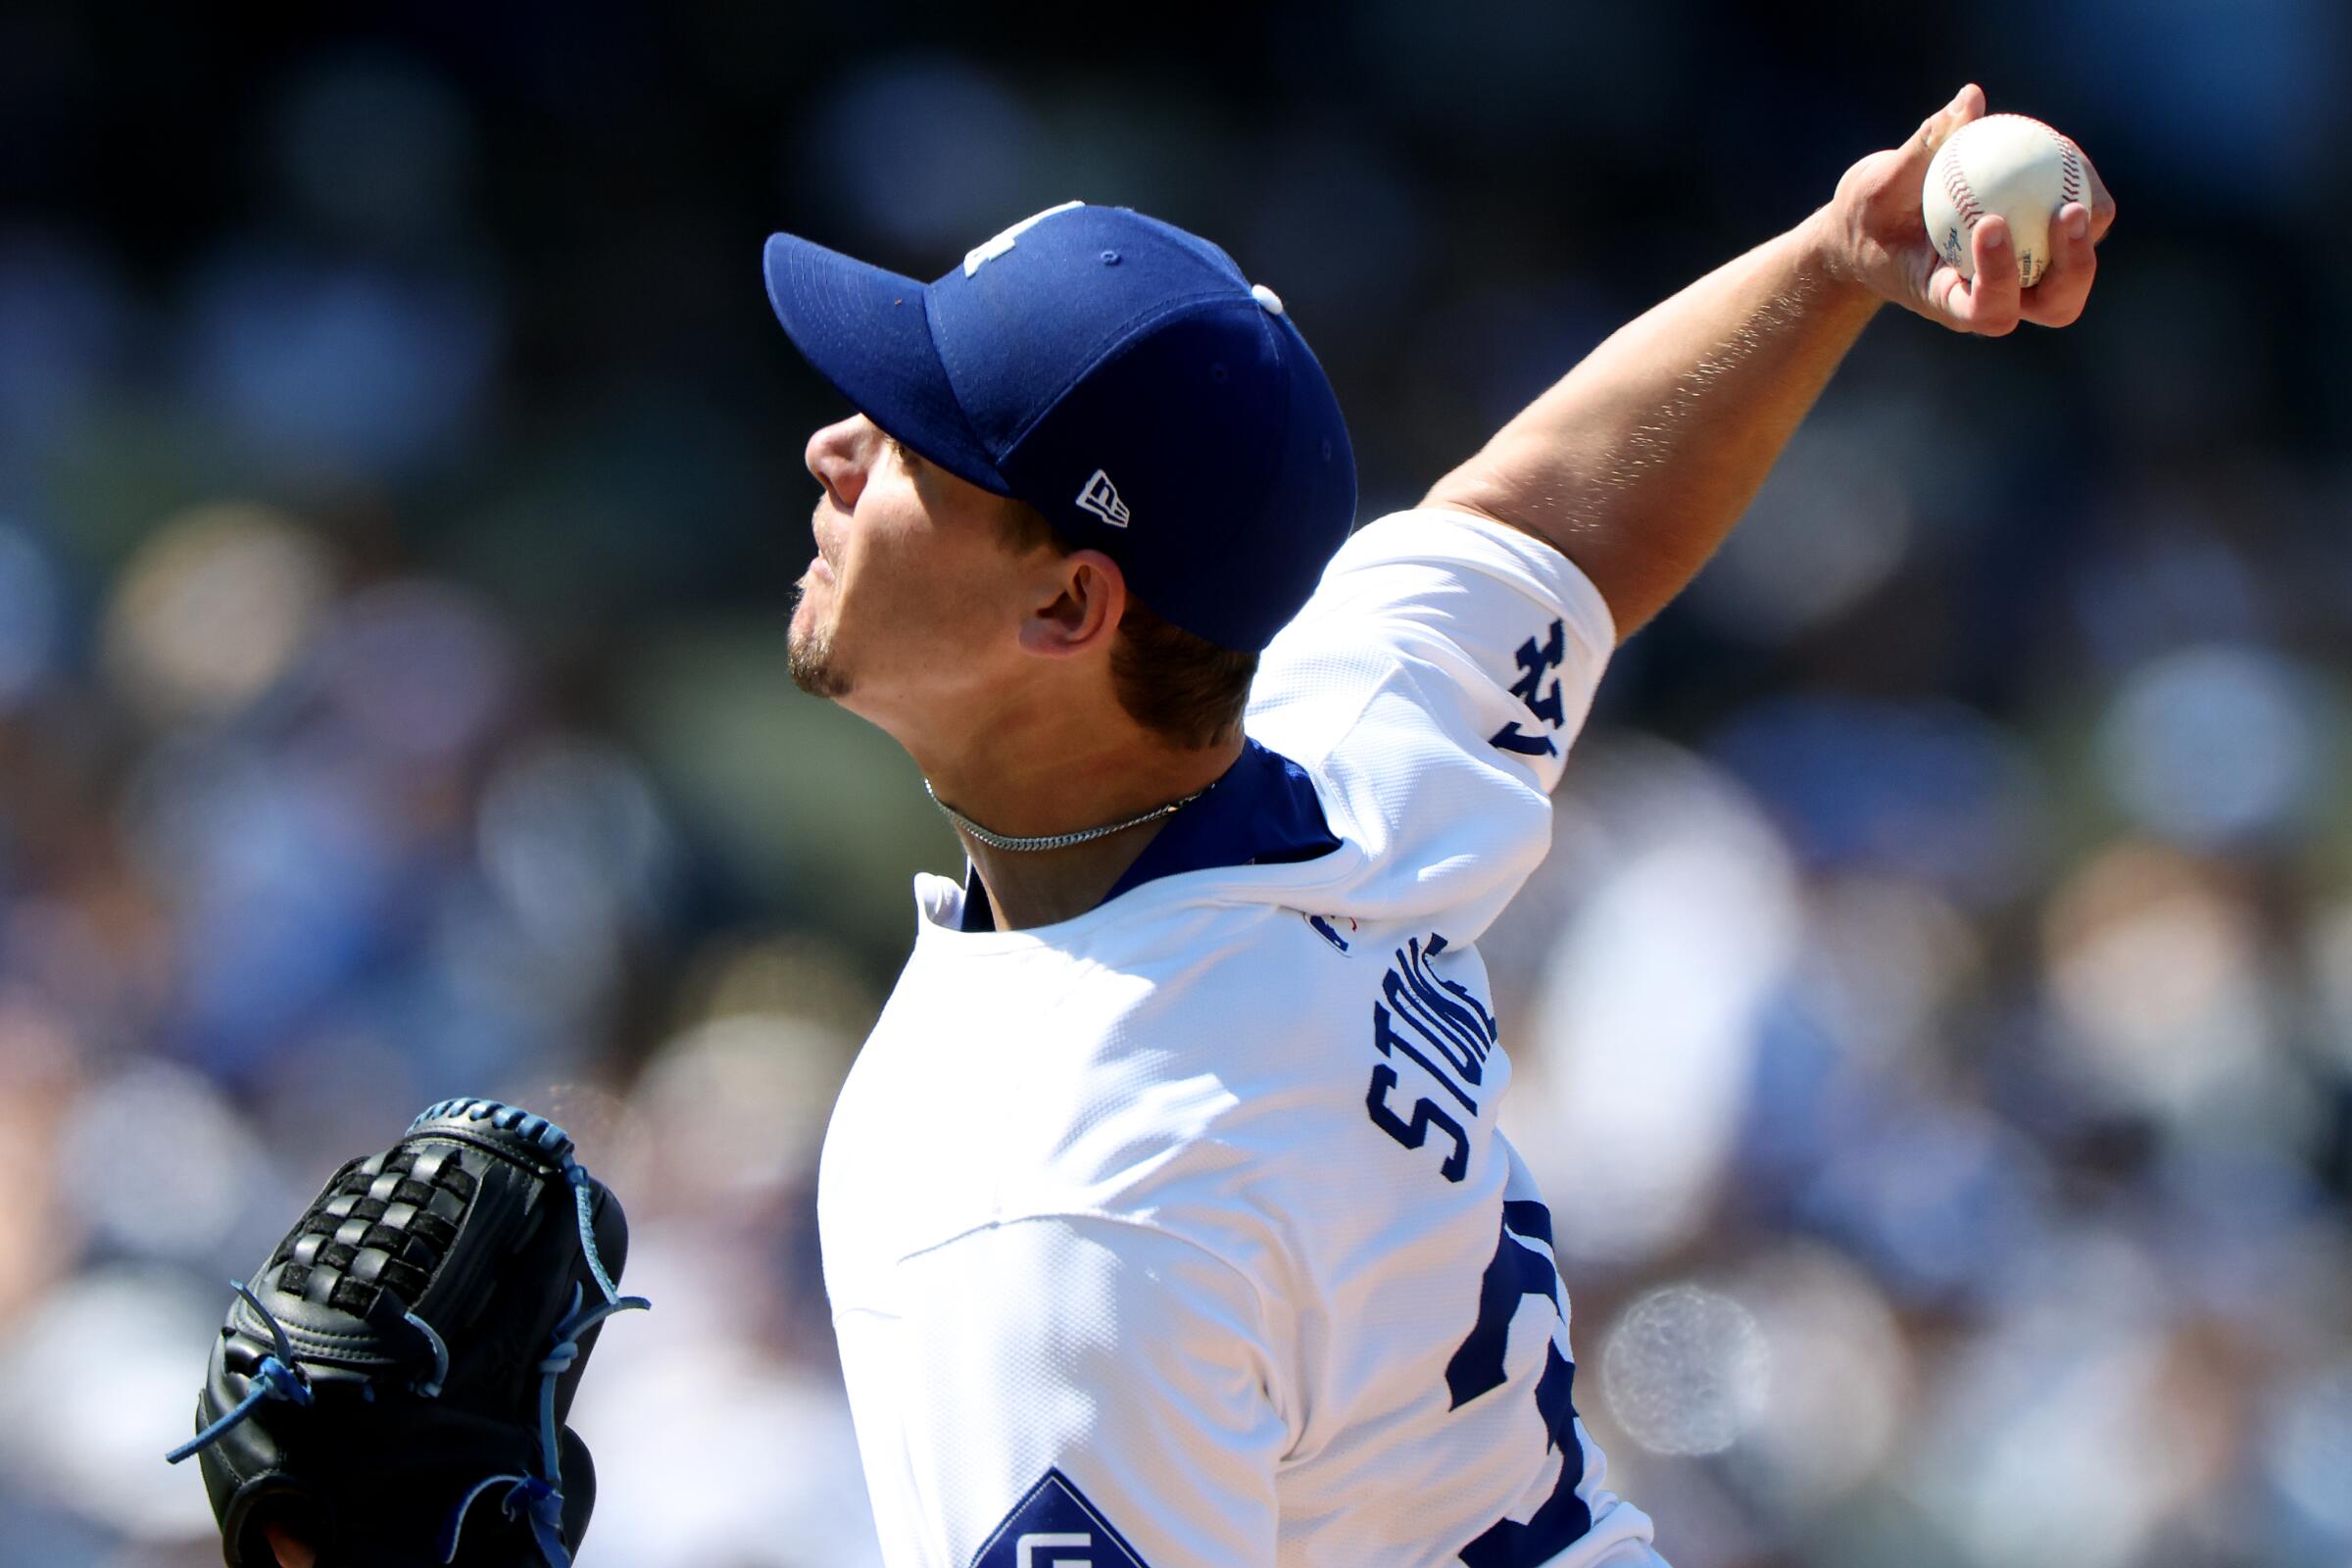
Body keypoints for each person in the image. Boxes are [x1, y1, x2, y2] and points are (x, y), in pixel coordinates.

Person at [262, 84, 2108, 1568]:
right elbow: (1555, 528)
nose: (836, 446)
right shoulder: (1331, 764)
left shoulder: (1053, 1192)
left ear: (1070, 610)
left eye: (917, 441)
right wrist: (1831, 262)